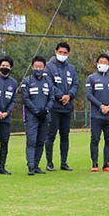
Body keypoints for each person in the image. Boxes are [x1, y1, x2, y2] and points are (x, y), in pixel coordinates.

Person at [44, 42, 79, 172]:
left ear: (68, 54)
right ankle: (49, 162)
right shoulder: (49, 66)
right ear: (55, 52)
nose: (62, 55)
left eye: (65, 53)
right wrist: (60, 96)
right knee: (51, 135)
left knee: (65, 136)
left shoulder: (71, 68)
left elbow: (75, 84)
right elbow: (49, 84)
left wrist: (69, 96)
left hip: (67, 107)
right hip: (54, 107)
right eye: (60, 52)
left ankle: (64, 162)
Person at [85, 53, 109, 172]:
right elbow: (89, 94)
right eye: (100, 62)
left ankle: (106, 164)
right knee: (95, 139)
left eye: (105, 62)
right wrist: (101, 106)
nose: (103, 64)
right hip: (96, 115)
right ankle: (94, 164)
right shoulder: (91, 78)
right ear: (97, 63)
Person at [21, 56, 54, 176]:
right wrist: (36, 111)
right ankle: (30, 166)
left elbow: (51, 98)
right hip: (32, 117)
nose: (38, 69)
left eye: (40, 67)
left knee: (41, 141)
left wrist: (46, 111)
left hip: (45, 117)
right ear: (32, 67)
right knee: (32, 141)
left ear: (44, 68)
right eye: (36, 67)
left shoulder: (48, 82)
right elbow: (25, 99)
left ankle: (36, 165)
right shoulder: (26, 81)